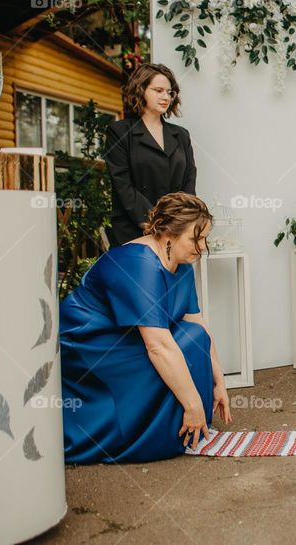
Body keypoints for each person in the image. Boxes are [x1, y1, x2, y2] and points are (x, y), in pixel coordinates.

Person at [60, 192, 232, 463]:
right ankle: (162, 432)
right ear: (168, 234)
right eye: (195, 238)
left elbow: (197, 324)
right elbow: (158, 345)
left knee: (194, 336)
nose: (201, 246)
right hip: (91, 347)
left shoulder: (181, 262)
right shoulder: (138, 263)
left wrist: (219, 381)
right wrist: (193, 403)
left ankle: (181, 428)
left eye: (204, 238)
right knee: (170, 350)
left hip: (129, 339)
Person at [105, 63, 197, 246]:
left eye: (170, 92)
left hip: (176, 230)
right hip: (134, 229)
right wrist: (157, 223)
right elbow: (123, 185)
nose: (165, 97)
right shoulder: (119, 131)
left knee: (176, 275)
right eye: (159, 90)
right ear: (141, 90)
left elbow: (189, 179)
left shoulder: (181, 135)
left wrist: (180, 221)